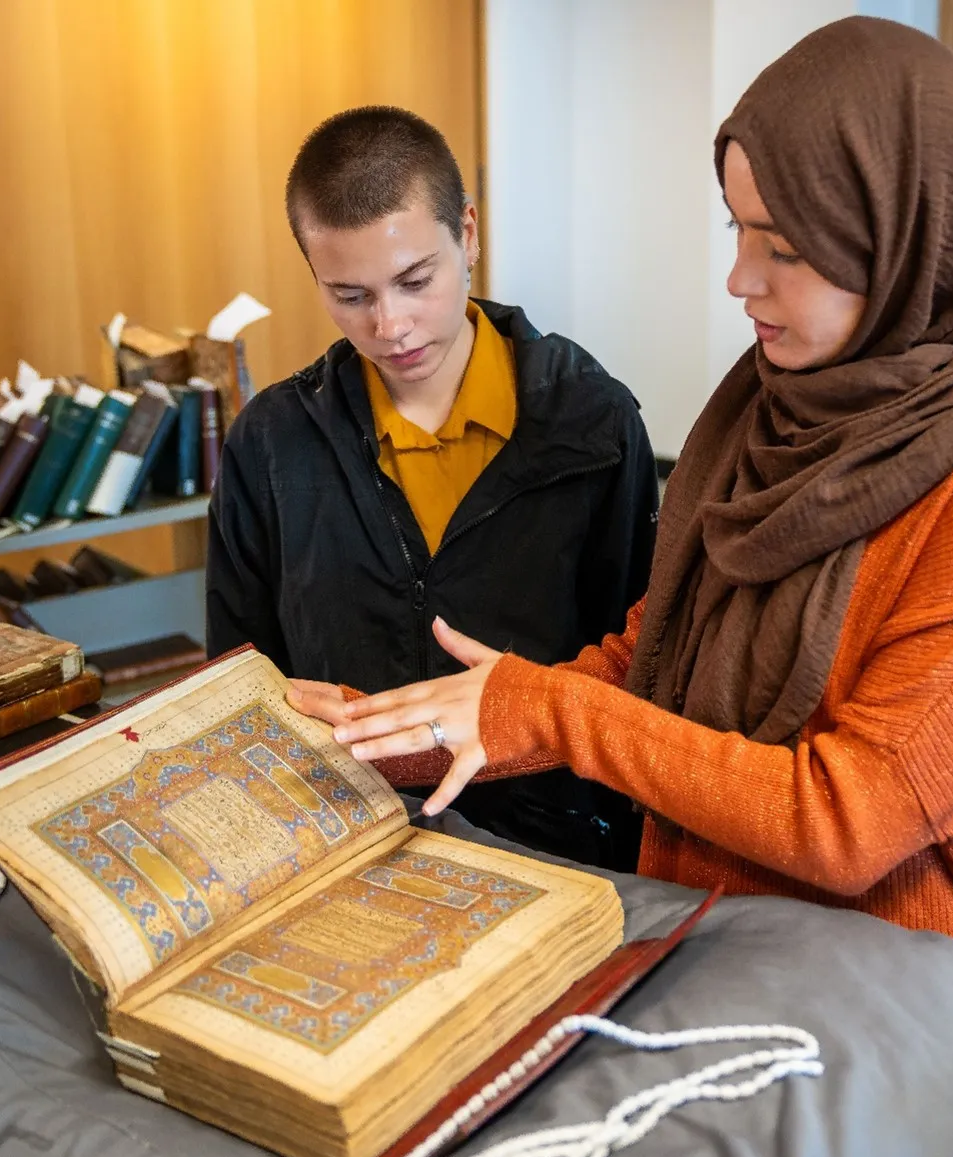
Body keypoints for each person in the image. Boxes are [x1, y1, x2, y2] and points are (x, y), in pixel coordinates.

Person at [289, 18, 953, 974]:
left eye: (787, 251)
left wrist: (550, 712)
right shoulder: (767, 413)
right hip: (718, 919)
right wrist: (379, 732)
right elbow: (651, 663)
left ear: (911, 242)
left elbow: (853, 820)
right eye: (739, 231)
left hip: (914, 975)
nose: (739, 280)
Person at [207, 106, 658, 870]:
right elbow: (237, 677)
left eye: (416, 280)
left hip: (557, 846)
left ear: (470, 235)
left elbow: (636, 667)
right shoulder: (270, 444)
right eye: (350, 295)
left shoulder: (593, 425)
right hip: (340, 838)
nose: (392, 325)